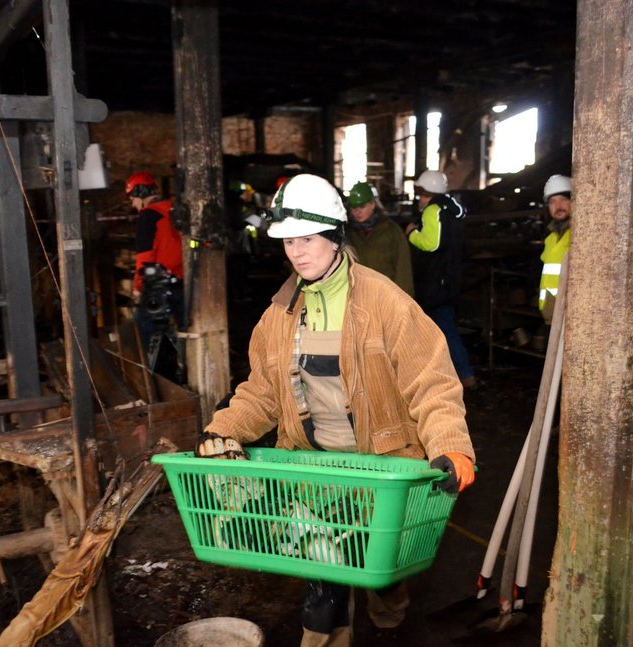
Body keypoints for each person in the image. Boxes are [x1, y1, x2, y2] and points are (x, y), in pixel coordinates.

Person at [195, 173, 475, 647]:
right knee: (322, 584)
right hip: (315, 471)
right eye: (287, 241)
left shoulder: (385, 302)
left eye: (306, 239)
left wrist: (451, 446)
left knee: (382, 575)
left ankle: (390, 625)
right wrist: (222, 430)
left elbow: (432, 383)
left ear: (333, 235)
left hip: (382, 471)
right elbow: (262, 392)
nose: (296, 252)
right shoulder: (279, 314)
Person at [405, 170, 476, 389]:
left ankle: (462, 375)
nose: (419, 199)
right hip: (449, 278)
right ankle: (458, 374)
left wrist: (411, 234)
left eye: (421, 193)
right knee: (445, 327)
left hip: (434, 282)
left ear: (426, 193)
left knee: (440, 329)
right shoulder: (452, 210)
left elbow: (431, 243)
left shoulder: (432, 211)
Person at [126, 171, 185, 343]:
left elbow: (145, 256)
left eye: (132, 198)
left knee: (142, 333)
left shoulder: (148, 216)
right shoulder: (174, 210)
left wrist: (137, 287)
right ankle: (185, 365)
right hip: (181, 282)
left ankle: (144, 369)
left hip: (158, 285)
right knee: (184, 331)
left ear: (140, 193)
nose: (132, 203)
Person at [345, 181, 414, 296]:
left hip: (384, 297)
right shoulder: (346, 234)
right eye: (353, 207)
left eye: (362, 206)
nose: (357, 212)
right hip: (356, 297)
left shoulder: (391, 231)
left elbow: (403, 268)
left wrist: (404, 301)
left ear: (372, 204)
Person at [539, 174, 572, 325]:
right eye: (552, 202)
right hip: (551, 313)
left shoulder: (579, 235)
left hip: (569, 314)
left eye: (563, 199)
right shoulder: (551, 238)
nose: (558, 206)